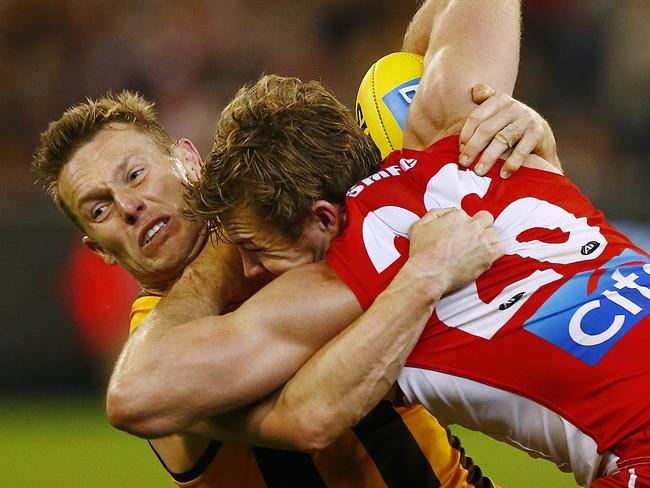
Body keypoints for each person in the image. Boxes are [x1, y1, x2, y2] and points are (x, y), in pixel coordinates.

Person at [120, 2, 649, 488]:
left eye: (254, 247)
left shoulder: (343, 283)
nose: (250, 271)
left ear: (323, 218)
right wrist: (397, 69)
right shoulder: (464, 129)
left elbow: (136, 396)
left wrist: (206, 267)